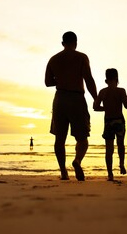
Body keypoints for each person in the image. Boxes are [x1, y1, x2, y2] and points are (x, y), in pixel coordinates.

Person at [45, 31, 98, 181]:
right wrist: (96, 98)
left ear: (63, 43)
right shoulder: (81, 57)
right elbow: (88, 79)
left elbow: (48, 82)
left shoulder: (54, 59)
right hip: (77, 98)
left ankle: (63, 172)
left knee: (59, 139)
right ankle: (77, 161)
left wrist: (61, 80)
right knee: (82, 138)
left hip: (60, 98)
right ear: (76, 43)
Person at [94, 68, 127, 181]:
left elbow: (95, 107)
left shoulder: (102, 92)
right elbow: (126, 106)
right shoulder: (121, 91)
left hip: (108, 122)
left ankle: (110, 174)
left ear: (106, 80)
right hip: (119, 121)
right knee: (120, 144)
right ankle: (121, 164)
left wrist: (106, 108)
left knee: (109, 149)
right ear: (117, 79)